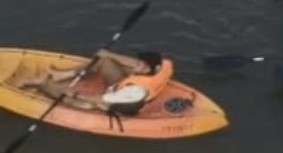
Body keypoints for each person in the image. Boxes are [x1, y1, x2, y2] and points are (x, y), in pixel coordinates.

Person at [17, 50, 174, 114]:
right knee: (104, 61)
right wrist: (110, 55)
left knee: (82, 104)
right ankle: (61, 75)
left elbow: (101, 99)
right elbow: (133, 63)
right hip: (121, 89)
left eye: (139, 65)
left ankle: (41, 84)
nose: (135, 66)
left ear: (148, 69)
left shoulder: (135, 91)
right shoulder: (164, 65)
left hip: (119, 103)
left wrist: (74, 94)